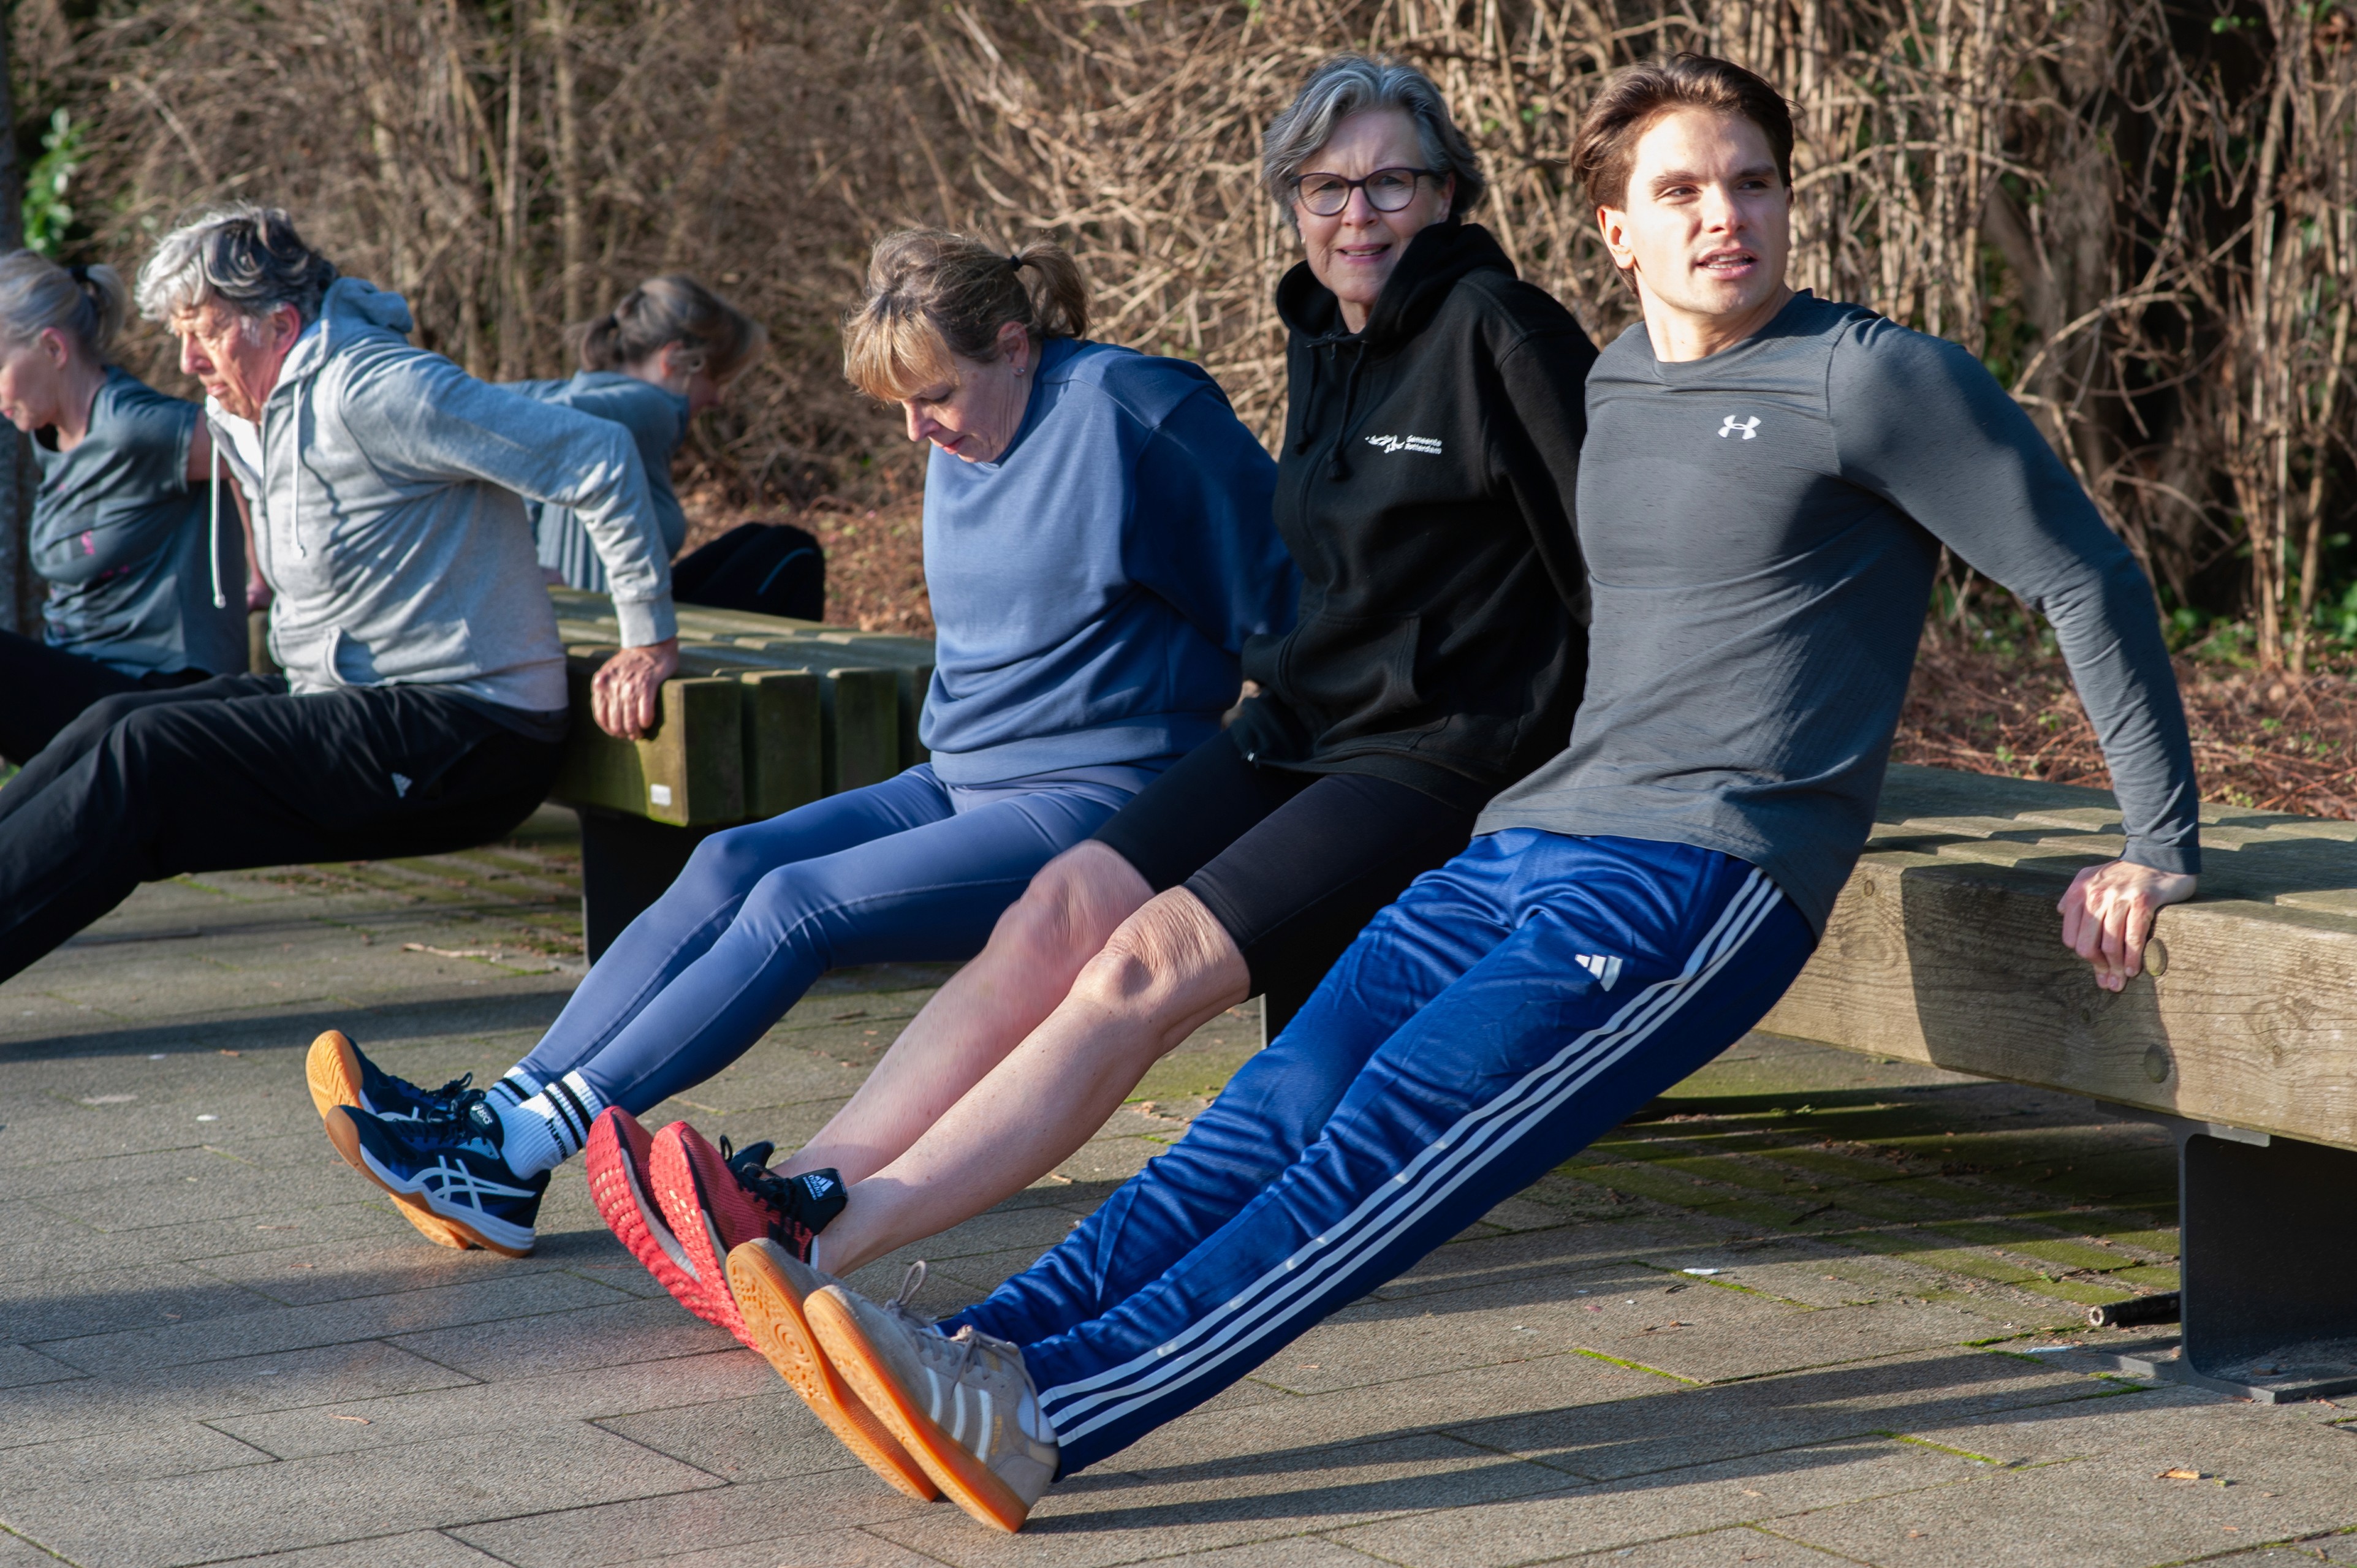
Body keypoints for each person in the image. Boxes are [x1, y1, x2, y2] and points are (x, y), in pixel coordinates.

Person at [736, 52, 2204, 1534]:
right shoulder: (1618, 378)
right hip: (1519, 843)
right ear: (1616, 229)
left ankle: (1052, 1412)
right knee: (1271, 1106)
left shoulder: (1872, 377)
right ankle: (993, 1344)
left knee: (1387, 1150)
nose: (1724, 217)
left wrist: (2153, 844)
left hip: (1695, 877)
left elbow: (2079, 575)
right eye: (1679, 189)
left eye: (1751, 182)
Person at [683, 53, 1599, 1498]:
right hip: (1295, 723)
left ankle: (826, 1249)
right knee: (1055, 906)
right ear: (1289, 201)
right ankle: (802, 1182)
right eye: (1326, 184)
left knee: (1141, 965)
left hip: (1441, 750)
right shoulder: (1325, 336)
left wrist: (1593, 759)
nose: (1357, 211)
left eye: (1391, 182)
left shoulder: (1498, 324)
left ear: (1446, 193)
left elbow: (1611, 551)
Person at [307, 233, 1292, 1305]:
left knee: (798, 902)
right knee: (734, 857)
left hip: (1097, 798)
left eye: (933, 396)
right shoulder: (964, 427)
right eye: (899, 405)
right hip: (959, 774)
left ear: (1015, 345)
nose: (916, 428)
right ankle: (506, 1119)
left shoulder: (1131, 411)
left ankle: (527, 1141)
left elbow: (1282, 605)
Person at [0, 204, 681, 983]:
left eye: (204, 331)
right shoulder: (254, 405)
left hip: (472, 733)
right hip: (359, 703)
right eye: (179, 335)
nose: (187, 363)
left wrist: (646, 640)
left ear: (279, 324)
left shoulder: (382, 389)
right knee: (112, 721)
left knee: (143, 760)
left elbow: (598, 455)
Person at [0, 252, 252, 763]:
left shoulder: (136, 427)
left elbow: (256, 443)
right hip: (87, 683)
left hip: (157, 694)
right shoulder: (53, 441)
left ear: (52, 347)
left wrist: (262, 567)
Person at [512, 275, 822, 619]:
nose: (718, 399)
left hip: (598, 614)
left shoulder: (559, 390)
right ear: (674, 359)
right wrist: (518, 568)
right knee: (795, 553)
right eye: (716, 379)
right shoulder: (652, 404)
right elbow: (504, 422)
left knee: (759, 539)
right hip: (609, 633)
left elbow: (465, 412)